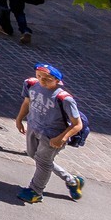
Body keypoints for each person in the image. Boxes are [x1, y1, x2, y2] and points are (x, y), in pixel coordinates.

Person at [14, 63, 86, 204]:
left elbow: (77, 125)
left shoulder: (64, 99)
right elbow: (27, 103)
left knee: (43, 161)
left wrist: (62, 138)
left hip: (52, 136)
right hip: (33, 127)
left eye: (47, 79)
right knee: (34, 155)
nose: (42, 80)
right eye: (39, 76)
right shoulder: (30, 85)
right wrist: (19, 119)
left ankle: (36, 191)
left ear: (57, 81)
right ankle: (72, 181)